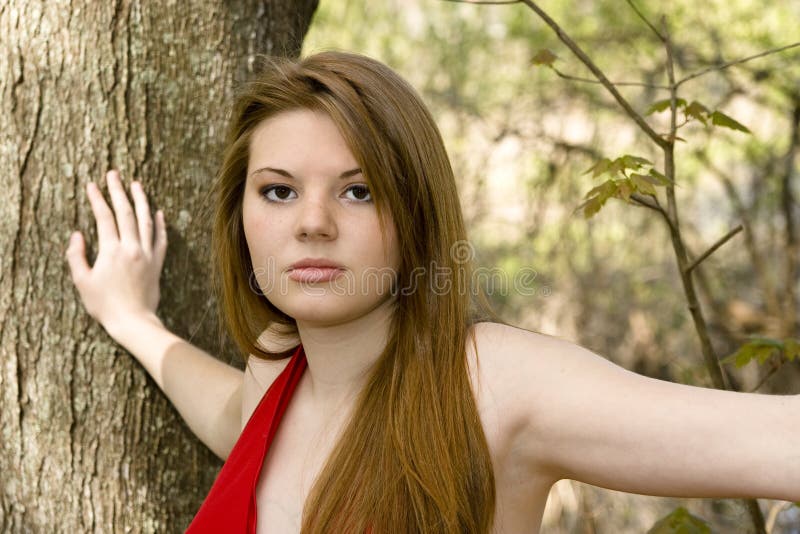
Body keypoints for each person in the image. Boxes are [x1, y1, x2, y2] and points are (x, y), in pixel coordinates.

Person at [65, 51, 799, 534]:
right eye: (278, 191)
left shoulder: (492, 383)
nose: (312, 223)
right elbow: (230, 416)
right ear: (241, 219)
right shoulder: (278, 372)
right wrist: (133, 321)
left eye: (358, 192)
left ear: (415, 214)